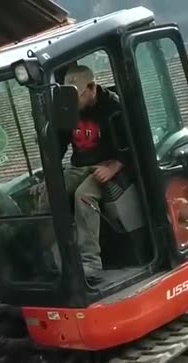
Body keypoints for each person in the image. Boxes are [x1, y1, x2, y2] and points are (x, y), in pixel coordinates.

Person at [59, 63, 125, 288]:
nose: (74, 101)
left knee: (83, 196)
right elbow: (58, 144)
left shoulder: (113, 108)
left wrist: (114, 166)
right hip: (80, 165)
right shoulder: (68, 109)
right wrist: (49, 176)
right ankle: (56, 259)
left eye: (78, 95)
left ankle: (90, 262)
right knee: (51, 194)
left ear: (92, 88)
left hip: (108, 165)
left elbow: (131, 145)